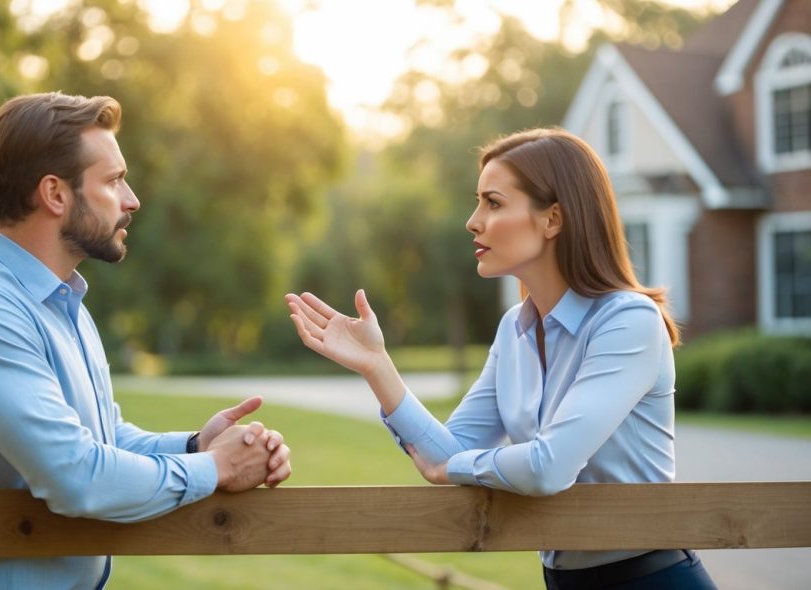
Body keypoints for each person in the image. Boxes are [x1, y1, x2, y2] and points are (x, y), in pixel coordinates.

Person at [285, 128, 717, 589]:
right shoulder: (514, 329)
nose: (473, 221)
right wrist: (377, 365)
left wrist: (450, 469)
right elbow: (451, 451)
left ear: (552, 219)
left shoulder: (628, 321)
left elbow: (548, 468)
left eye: (493, 203)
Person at [0, 92, 292, 589]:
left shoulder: (64, 304)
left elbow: (103, 440)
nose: (131, 200)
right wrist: (214, 469)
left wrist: (197, 445)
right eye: (112, 180)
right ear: (55, 194)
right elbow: (76, 475)